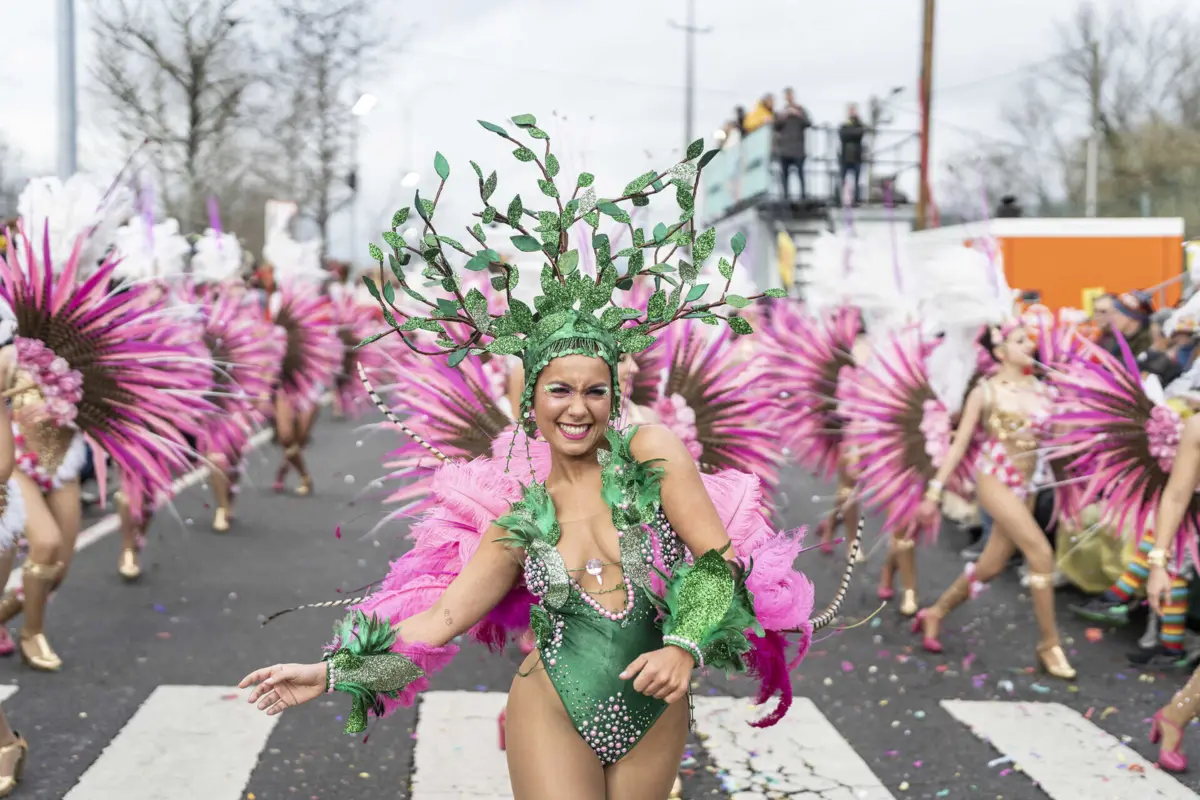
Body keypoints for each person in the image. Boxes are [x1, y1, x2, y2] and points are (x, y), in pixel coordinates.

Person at [240, 120, 852, 799]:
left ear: (616, 395)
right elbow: (441, 620)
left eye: (595, 391)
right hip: (551, 706)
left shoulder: (652, 452)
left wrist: (685, 646)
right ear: (529, 400)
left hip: (658, 702)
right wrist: (331, 673)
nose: (577, 408)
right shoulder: (517, 520)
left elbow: (717, 560)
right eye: (558, 390)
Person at [913, 324, 1076, 679]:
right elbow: (959, 445)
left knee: (989, 567)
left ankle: (936, 612)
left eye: (1030, 339)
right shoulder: (985, 392)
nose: (1029, 345)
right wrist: (934, 491)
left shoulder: (1045, 392)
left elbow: (1059, 445)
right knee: (1041, 555)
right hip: (994, 479)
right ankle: (1049, 644)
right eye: (1019, 340)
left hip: (1029, 484)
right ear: (1000, 352)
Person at [774, 88, 811, 202]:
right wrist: (784, 116)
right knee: (784, 175)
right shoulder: (782, 112)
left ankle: (803, 195)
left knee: (800, 173)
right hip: (784, 149)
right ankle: (785, 196)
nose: (788, 97)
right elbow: (776, 126)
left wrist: (798, 114)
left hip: (798, 149)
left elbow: (808, 123)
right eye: (787, 95)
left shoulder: (800, 110)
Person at [838, 105, 866, 206]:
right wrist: (851, 132)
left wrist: (852, 129)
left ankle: (856, 199)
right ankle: (843, 200)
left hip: (856, 156)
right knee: (843, 180)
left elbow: (859, 133)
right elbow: (842, 135)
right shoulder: (844, 125)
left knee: (857, 180)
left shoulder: (859, 125)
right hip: (845, 156)